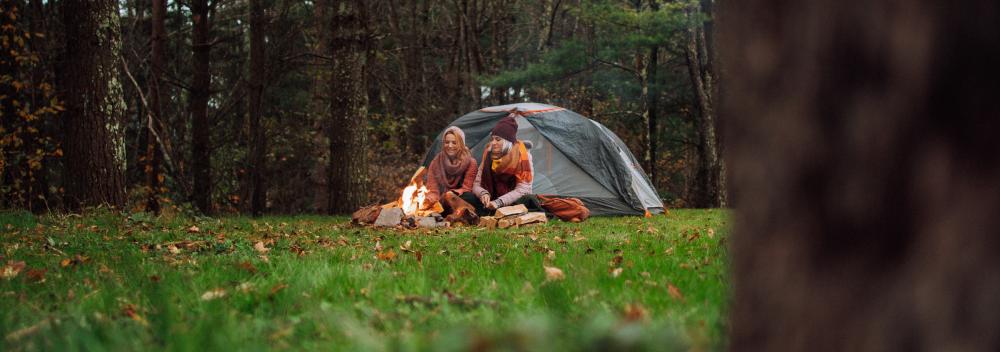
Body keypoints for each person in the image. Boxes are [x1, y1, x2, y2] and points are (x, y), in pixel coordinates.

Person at [462, 114, 543, 216]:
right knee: (466, 196)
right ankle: (493, 213)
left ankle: (498, 213)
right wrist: (483, 194)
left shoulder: (523, 156)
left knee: (529, 199)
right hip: (491, 201)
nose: (493, 143)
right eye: (492, 139)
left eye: (498, 139)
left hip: (511, 202)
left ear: (507, 141)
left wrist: (499, 202)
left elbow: (523, 189)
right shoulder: (488, 154)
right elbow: (476, 185)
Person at [422, 126, 477, 214]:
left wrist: (450, 195)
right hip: (441, 201)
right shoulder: (436, 162)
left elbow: (467, 188)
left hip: (461, 199)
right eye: (447, 142)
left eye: (454, 143)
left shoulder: (471, 162)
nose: (450, 146)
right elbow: (432, 189)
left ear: (461, 144)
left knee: (469, 197)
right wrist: (431, 198)